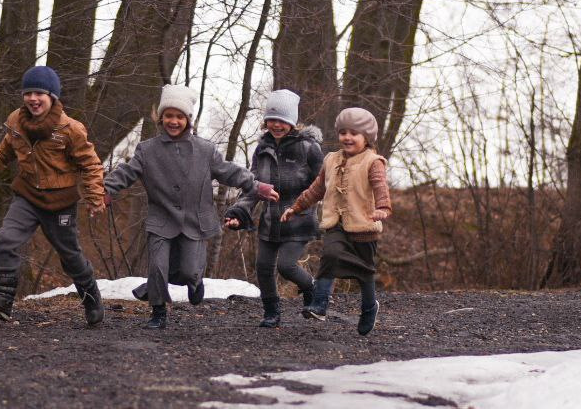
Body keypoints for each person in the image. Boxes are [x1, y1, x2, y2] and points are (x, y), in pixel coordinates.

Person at [103, 84, 279, 330]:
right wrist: (106, 189)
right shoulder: (147, 149)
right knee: (157, 266)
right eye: (169, 116)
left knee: (189, 271)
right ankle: (158, 312)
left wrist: (257, 186)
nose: (173, 121)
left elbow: (229, 171)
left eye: (179, 117)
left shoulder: (204, 150)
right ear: (160, 118)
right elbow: (126, 172)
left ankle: (195, 284)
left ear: (188, 120)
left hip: (194, 220)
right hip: (161, 218)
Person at [0, 66, 106, 325]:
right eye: (28, 93)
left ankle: (91, 298)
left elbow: (91, 165)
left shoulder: (70, 129)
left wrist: (94, 197)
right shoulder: (15, 121)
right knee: (7, 238)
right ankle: (2, 300)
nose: (33, 99)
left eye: (40, 93)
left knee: (70, 256)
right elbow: (4, 151)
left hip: (60, 202)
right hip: (28, 196)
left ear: (52, 96)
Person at [281, 107, 391, 336]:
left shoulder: (373, 161)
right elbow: (316, 189)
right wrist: (296, 207)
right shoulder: (331, 160)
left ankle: (370, 307)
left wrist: (382, 208)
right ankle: (320, 303)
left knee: (365, 273)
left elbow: (380, 187)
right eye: (343, 132)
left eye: (354, 133)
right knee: (330, 255)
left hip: (363, 226)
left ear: (367, 137)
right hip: (336, 223)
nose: (347, 137)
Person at [223, 89, 324, 327]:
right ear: (266, 121)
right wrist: (238, 213)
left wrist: (316, 208)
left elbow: (323, 183)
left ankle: (312, 289)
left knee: (286, 266)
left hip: (300, 219)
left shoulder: (308, 148)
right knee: (263, 267)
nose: (276, 125)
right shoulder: (262, 150)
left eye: (282, 120)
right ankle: (271, 311)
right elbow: (254, 186)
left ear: (292, 122)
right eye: (272, 119)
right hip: (270, 220)